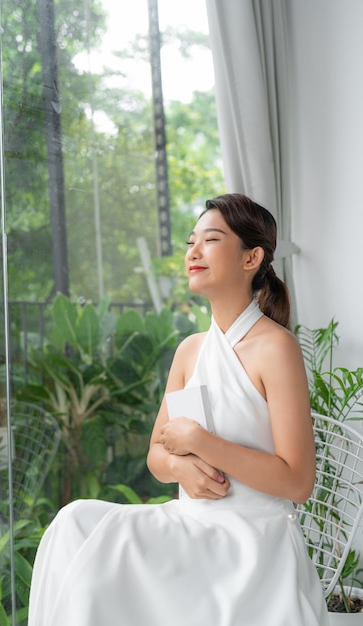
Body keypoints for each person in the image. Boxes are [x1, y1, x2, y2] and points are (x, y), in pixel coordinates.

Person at [28, 193, 329, 626]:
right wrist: (181, 467)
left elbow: (298, 482)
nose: (193, 251)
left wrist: (201, 443)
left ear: (252, 258)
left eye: (210, 240)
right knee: (73, 522)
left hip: (249, 541)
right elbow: (157, 455)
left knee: (107, 544)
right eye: (191, 242)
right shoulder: (190, 351)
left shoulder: (275, 349)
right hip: (190, 523)